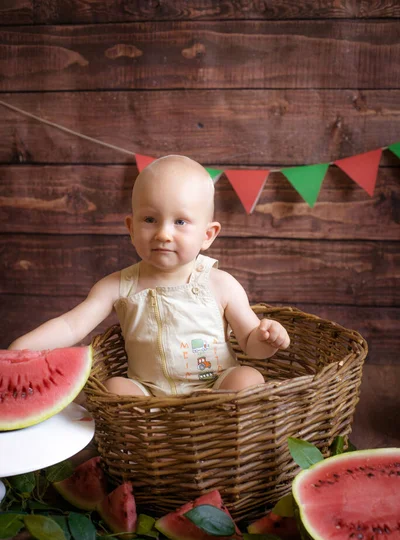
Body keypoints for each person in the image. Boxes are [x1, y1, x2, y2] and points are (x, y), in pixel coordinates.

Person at [9, 155, 290, 396]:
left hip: (217, 390)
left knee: (249, 378)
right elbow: (72, 325)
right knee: (115, 387)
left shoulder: (220, 284)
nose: (163, 234)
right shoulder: (117, 285)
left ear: (207, 235)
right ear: (131, 228)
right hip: (146, 396)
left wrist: (267, 339)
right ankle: (153, 439)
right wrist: (21, 349)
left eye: (180, 222)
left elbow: (250, 344)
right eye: (149, 219)